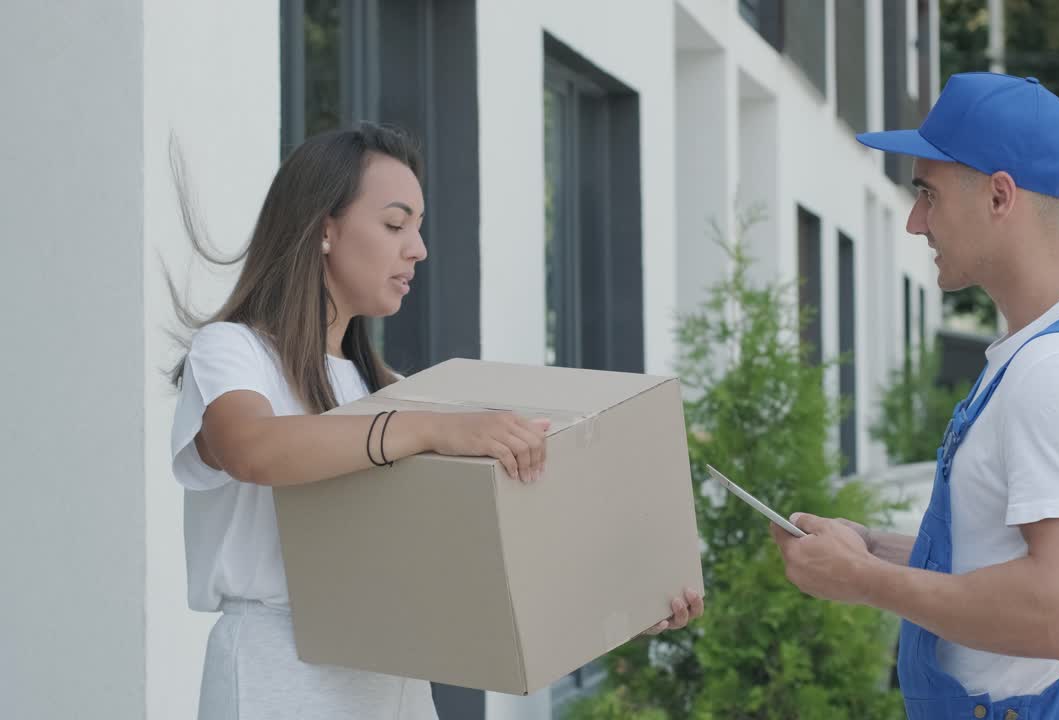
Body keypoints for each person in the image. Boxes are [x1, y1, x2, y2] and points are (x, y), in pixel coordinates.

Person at [169, 123, 703, 720]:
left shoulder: (390, 389)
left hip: (392, 676)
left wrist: (622, 603)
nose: (417, 248)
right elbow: (253, 449)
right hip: (278, 674)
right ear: (324, 228)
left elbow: (476, 560)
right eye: (396, 225)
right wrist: (431, 428)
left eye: (417, 228)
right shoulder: (233, 351)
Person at [771, 73, 1059, 719]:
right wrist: (872, 546)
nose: (914, 221)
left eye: (928, 193)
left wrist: (864, 581)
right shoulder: (1049, 353)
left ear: (999, 195)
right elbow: (1000, 553)